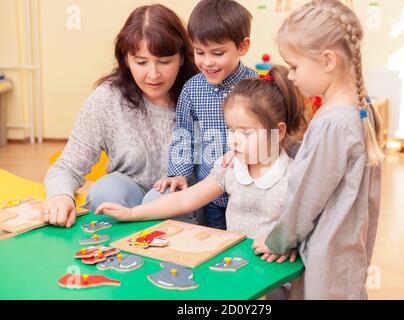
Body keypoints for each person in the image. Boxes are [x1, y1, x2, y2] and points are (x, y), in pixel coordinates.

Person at [252, 0, 384, 300]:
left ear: (327, 61)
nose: (292, 76)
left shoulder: (334, 124)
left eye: (295, 66)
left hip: (327, 258)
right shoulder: (363, 109)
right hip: (348, 251)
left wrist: (278, 241)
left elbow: (307, 197)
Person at [95, 65, 308, 248]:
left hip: (273, 273)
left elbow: (306, 225)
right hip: (236, 265)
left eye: (246, 132)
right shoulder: (230, 168)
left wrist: (286, 246)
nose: (234, 140)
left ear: (278, 131)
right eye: (231, 129)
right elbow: (185, 199)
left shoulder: (292, 176)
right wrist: (132, 213)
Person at [41, 5, 198, 228]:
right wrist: (61, 196)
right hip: (125, 203)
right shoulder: (107, 99)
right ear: (125, 59)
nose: (153, 74)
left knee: (162, 197)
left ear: (182, 57)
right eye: (141, 62)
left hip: (183, 209)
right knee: (107, 189)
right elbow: (67, 167)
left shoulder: (201, 96)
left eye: (164, 61)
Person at [152, 0, 258, 230]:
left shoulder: (256, 86)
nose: (207, 62)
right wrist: (178, 174)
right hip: (211, 193)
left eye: (218, 53)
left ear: (242, 46)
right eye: (199, 52)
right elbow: (184, 135)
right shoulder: (191, 89)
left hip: (249, 190)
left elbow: (268, 136)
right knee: (215, 244)